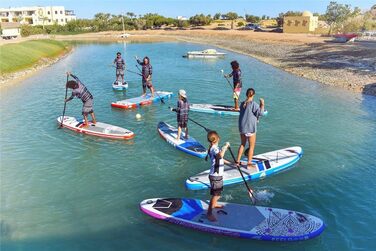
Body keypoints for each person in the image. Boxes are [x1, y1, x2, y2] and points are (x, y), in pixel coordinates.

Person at [236, 88, 265, 170]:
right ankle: (249, 164)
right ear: (254, 95)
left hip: (242, 128)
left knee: (242, 144)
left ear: (246, 94)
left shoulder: (242, 104)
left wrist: (256, 118)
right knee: (251, 146)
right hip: (250, 129)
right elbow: (261, 113)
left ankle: (237, 162)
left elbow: (247, 114)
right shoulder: (254, 104)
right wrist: (262, 104)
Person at [206, 131, 230, 222]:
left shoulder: (214, 148)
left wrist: (232, 164)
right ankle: (208, 213)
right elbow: (220, 156)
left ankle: (214, 204)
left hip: (217, 175)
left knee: (218, 194)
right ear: (218, 139)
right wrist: (225, 148)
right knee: (215, 195)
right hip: (215, 176)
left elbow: (221, 159)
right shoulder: (214, 149)